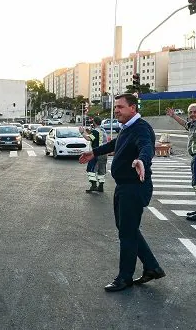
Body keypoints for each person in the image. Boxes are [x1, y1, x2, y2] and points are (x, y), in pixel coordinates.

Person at [79, 93, 165, 292]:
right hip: (124, 186)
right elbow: (114, 144)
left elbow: (147, 146)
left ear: (133, 108)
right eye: (116, 107)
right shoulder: (128, 128)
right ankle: (152, 267)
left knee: (127, 233)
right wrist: (94, 152)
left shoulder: (141, 128)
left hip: (134, 187)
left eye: (120, 107)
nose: (116, 110)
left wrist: (142, 160)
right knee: (127, 228)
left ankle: (124, 277)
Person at [79, 116, 108, 193]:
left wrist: (82, 132)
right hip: (104, 153)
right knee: (101, 170)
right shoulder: (103, 130)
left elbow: (89, 138)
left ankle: (93, 185)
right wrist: (88, 131)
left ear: (94, 122)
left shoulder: (95, 131)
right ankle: (101, 186)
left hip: (96, 153)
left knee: (90, 169)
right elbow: (95, 137)